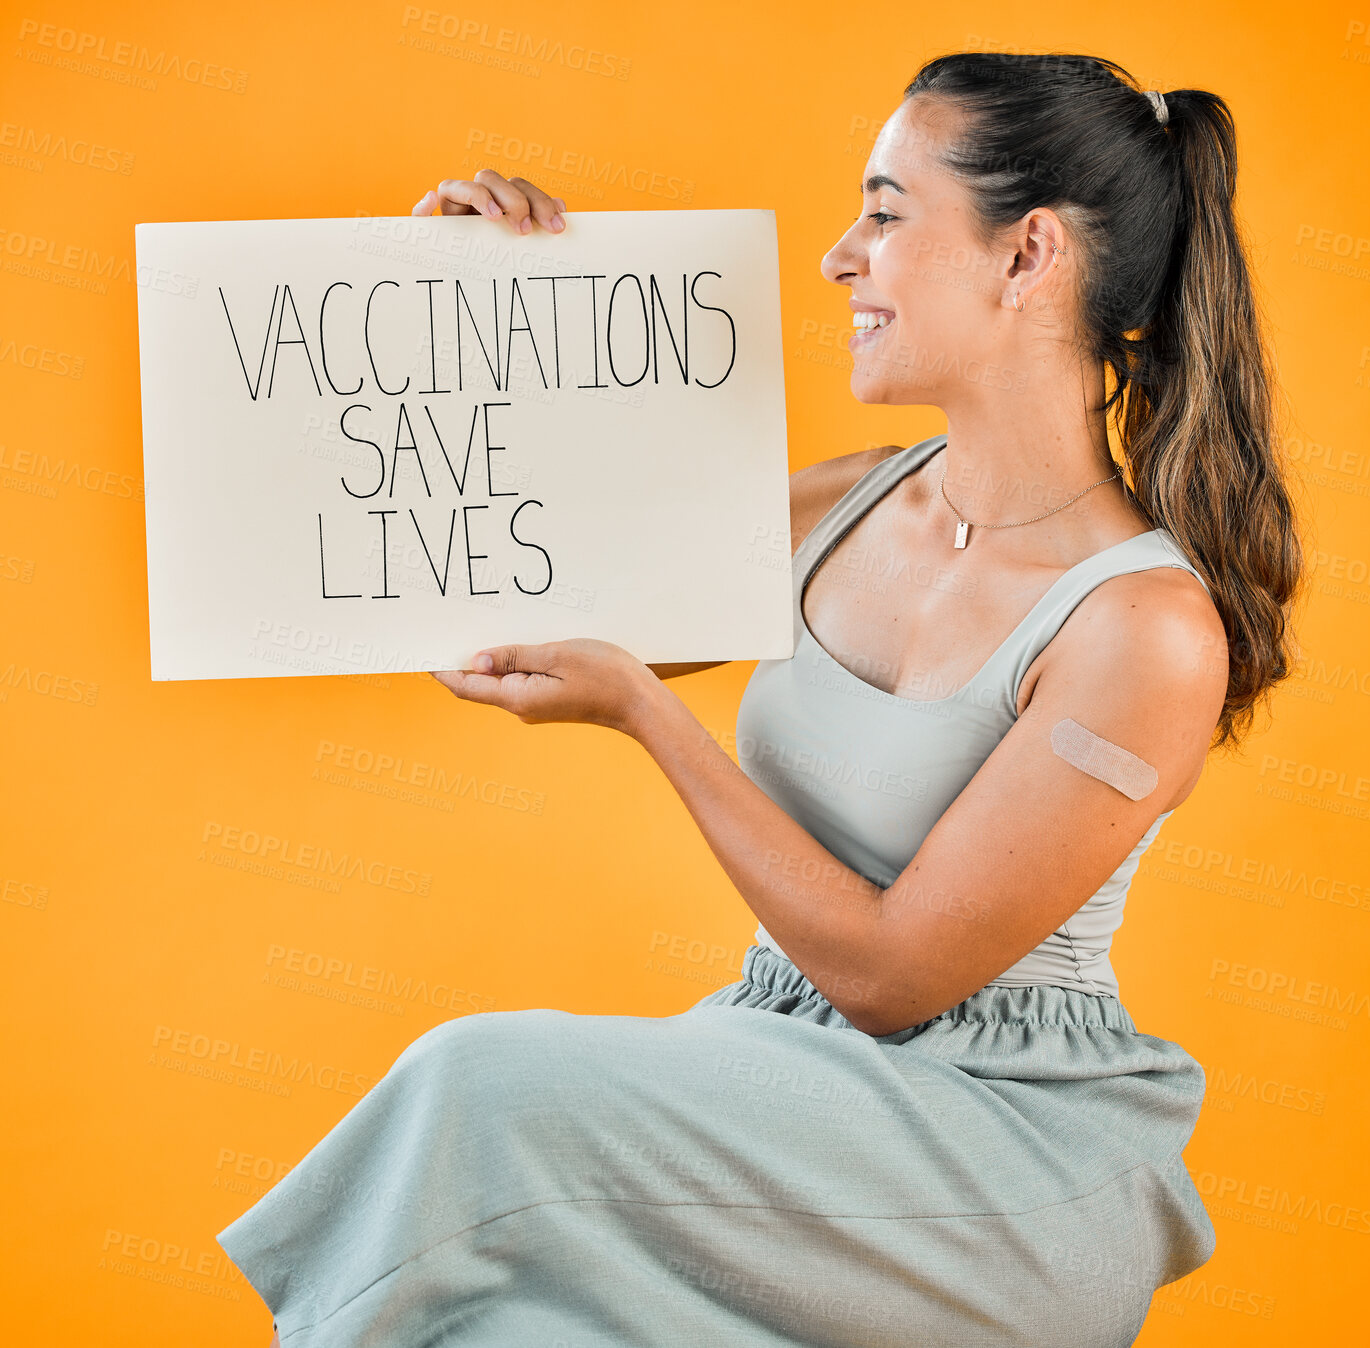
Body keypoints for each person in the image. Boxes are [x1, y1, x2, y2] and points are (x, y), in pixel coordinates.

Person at [219, 50, 1304, 1348]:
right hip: (777, 1078)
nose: (841, 257)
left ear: (1028, 258)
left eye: (888, 214)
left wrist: (648, 714)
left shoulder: (1145, 629)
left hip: (992, 1151)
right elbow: (488, 613)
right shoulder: (835, 506)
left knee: (481, 1082)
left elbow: (894, 978)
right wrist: (461, 318)